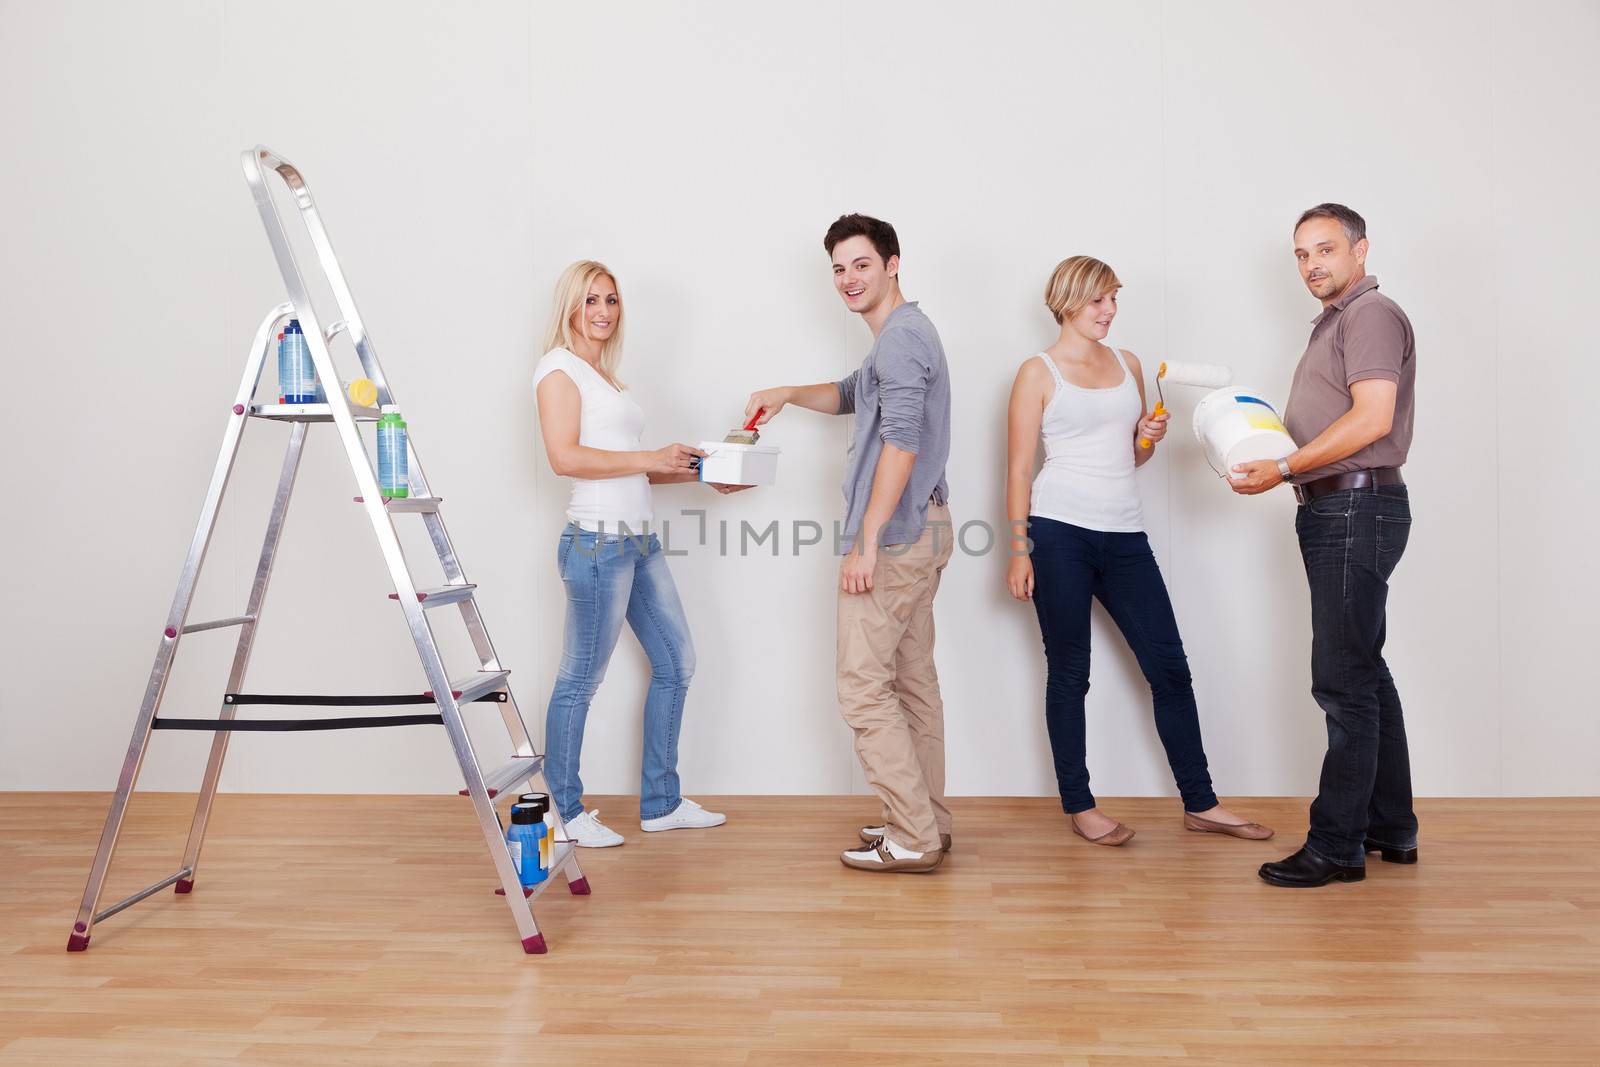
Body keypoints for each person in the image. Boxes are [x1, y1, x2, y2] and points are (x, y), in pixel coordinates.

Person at [1005, 255, 1272, 847]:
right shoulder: (1037, 372)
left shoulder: (1127, 364)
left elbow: (1131, 457)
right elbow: (1021, 467)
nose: (1110, 311)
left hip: (1125, 533)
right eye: (1099, 300)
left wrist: (1146, 439)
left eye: (1114, 299)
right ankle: (1080, 804)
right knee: (1070, 674)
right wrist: (1019, 551)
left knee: (1170, 670)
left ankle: (1200, 802)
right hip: (1058, 532)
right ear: (1068, 301)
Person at [744, 214, 954, 873]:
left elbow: (901, 440)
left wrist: (866, 542)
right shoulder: (900, 335)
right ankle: (925, 821)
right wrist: (786, 394)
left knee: (863, 687)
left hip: (894, 536)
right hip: (926, 526)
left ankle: (913, 832)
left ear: (893, 263)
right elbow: (847, 394)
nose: (848, 278)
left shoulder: (899, 340)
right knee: (912, 680)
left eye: (861, 263)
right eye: (838, 267)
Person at [1232, 205, 1418, 887]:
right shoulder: (1338, 322)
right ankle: (1390, 826)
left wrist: (1283, 466)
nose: (1313, 264)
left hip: (1353, 506)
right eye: (1302, 254)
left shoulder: (1370, 314)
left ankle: (1337, 843)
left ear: (1360, 250)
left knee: (1342, 681)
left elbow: (1372, 416)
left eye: (1326, 250)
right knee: (1365, 672)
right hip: (1343, 504)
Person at [532, 260, 742, 847]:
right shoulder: (558, 371)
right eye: (591, 300)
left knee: (677, 664)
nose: (603, 311)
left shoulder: (605, 377)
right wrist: (653, 457)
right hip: (597, 544)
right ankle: (563, 811)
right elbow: (565, 458)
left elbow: (628, 470)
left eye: (612, 300)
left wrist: (699, 474)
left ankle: (662, 801)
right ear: (570, 307)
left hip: (638, 541)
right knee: (580, 680)